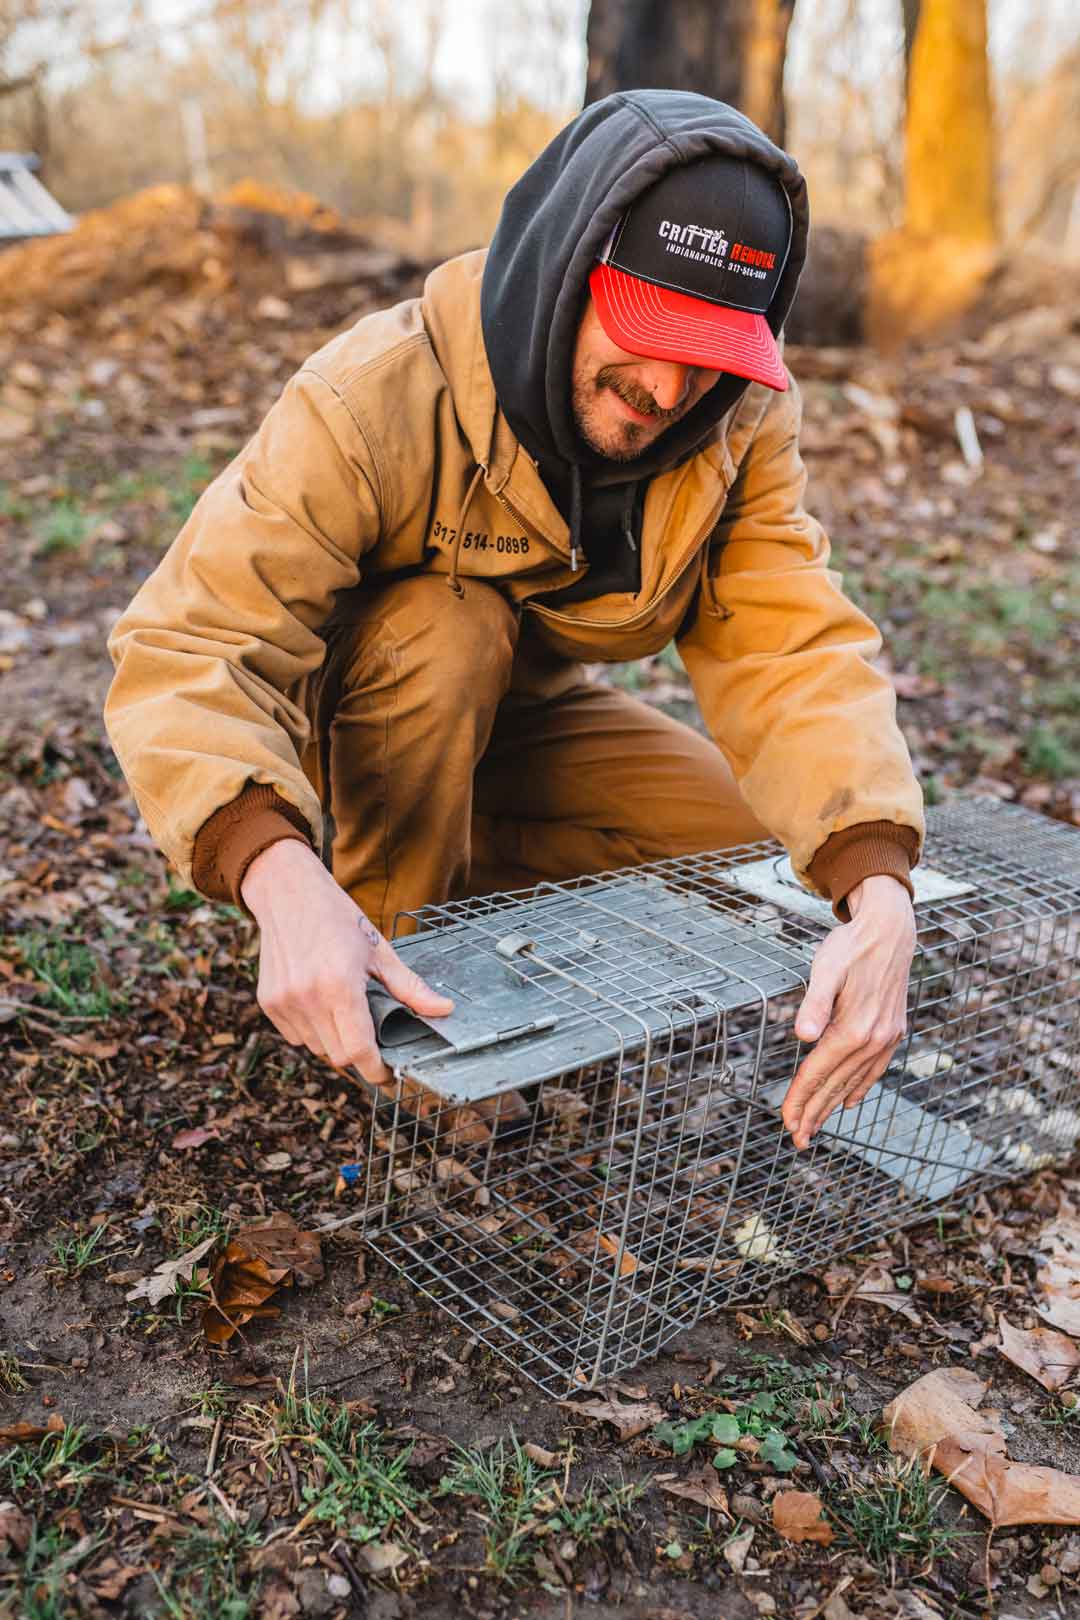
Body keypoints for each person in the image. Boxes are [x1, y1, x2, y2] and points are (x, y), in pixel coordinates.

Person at [105, 89, 923, 1153]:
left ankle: (454, 857)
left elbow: (789, 642)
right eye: (646, 327)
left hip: (510, 728)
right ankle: (395, 993)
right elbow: (189, 644)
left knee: (748, 842)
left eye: (710, 347)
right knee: (448, 629)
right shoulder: (376, 394)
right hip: (337, 736)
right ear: (562, 270)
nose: (668, 385)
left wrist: (879, 886)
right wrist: (270, 865)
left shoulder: (738, 428)